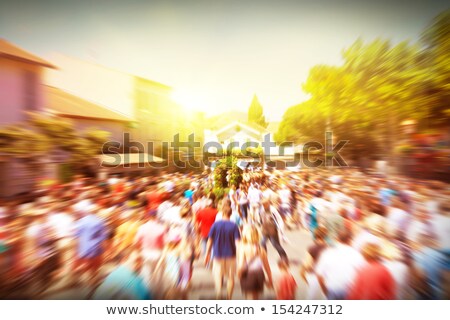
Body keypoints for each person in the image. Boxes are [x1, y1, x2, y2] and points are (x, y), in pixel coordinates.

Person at [315, 229, 365, 299]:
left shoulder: (328, 253)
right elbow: (363, 275)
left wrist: (325, 290)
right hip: (349, 291)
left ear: (337, 239)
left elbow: (319, 275)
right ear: (350, 240)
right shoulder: (357, 255)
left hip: (332, 290)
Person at [205, 206, 241, 299]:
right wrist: (240, 257)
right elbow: (238, 243)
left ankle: (219, 294)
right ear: (230, 214)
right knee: (230, 277)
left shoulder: (215, 225)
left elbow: (210, 240)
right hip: (231, 255)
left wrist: (207, 253)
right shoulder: (234, 226)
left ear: (222, 213)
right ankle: (229, 297)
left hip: (218, 254)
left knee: (218, 275)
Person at [238, 225, 273, 299]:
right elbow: (267, 266)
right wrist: (270, 279)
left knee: (249, 297)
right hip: (259, 274)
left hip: (248, 274)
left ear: (246, 235)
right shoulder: (261, 249)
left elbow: (241, 265)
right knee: (256, 297)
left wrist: (239, 274)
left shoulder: (244, 248)